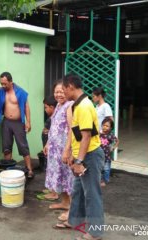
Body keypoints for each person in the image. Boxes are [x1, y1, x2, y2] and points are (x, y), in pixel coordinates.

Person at [62, 74, 105, 240]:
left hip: (90, 156)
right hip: (83, 154)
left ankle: (95, 233)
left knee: (92, 194)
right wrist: (73, 154)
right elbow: (78, 135)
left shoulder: (84, 106)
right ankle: (75, 221)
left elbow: (86, 136)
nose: (63, 92)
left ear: (71, 86)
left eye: (64, 88)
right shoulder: (77, 105)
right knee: (78, 190)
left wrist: (79, 161)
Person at [43, 81, 74, 223]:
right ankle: (65, 203)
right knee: (61, 177)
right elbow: (54, 127)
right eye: (56, 92)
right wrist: (48, 143)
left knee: (69, 178)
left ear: (67, 91)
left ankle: (73, 211)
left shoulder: (70, 106)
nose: (58, 94)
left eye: (61, 91)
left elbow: (72, 129)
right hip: (55, 149)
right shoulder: (58, 106)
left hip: (65, 150)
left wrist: (68, 150)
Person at [99, 118, 119, 187]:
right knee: (100, 169)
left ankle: (106, 180)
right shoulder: (99, 134)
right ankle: (101, 181)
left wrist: (113, 147)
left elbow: (117, 141)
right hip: (99, 155)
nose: (104, 127)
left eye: (107, 126)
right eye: (103, 125)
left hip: (107, 156)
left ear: (111, 128)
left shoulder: (111, 135)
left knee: (106, 169)